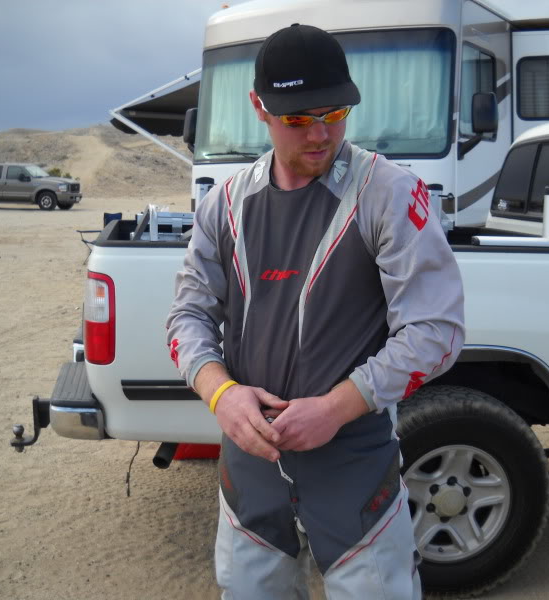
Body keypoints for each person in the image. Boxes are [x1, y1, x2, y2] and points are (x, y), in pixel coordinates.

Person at [166, 23, 464, 599]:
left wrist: (334, 408)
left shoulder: (389, 194)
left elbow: (437, 331)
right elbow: (187, 317)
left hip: (354, 464)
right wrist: (222, 395)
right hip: (250, 470)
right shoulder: (224, 205)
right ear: (259, 108)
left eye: (335, 113)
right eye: (298, 119)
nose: (321, 134)